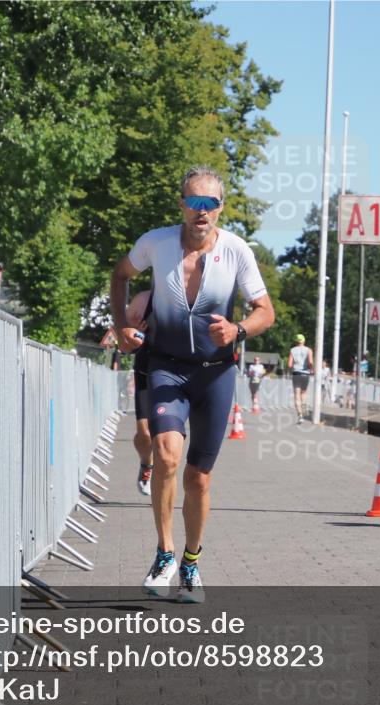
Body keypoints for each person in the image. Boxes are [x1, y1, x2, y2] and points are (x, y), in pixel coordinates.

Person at [110, 165, 274, 602]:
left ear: (221, 207)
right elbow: (120, 274)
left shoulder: (238, 251)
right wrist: (119, 325)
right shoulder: (156, 243)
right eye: (194, 202)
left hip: (216, 373)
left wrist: (239, 330)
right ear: (181, 204)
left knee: (198, 478)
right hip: (166, 364)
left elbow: (265, 311)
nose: (202, 211)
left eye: (211, 203)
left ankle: (191, 563)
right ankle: (164, 553)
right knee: (165, 454)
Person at [127, 291, 154, 496]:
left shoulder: (192, 297)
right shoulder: (142, 300)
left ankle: (163, 482)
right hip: (146, 373)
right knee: (144, 433)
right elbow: (123, 342)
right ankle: (147, 464)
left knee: (166, 437)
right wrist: (133, 334)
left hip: (176, 376)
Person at [288, 334, 313, 424]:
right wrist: (311, 369)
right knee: (304, 393)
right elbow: (310, 362)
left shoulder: (292, 350)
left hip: (296, 373)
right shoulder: (309, 350)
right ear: (304, 341)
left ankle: (300, 415)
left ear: (296, 341)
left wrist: (293, 368)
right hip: (305, 373)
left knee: (296, 394)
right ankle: (304, 407)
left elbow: (289, 365)